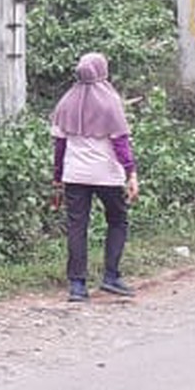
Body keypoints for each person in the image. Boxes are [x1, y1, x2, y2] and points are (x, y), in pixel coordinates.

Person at [51, 52, 139, 302]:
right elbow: (120, 142)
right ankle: (111, 276)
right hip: (107, 175)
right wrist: (131, 173)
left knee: (77, 227)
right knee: (118, 220)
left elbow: (59, 146)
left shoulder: (65, 102)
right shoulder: (110, 102)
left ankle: (77, 286)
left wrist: (57, 178)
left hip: (74, 175)